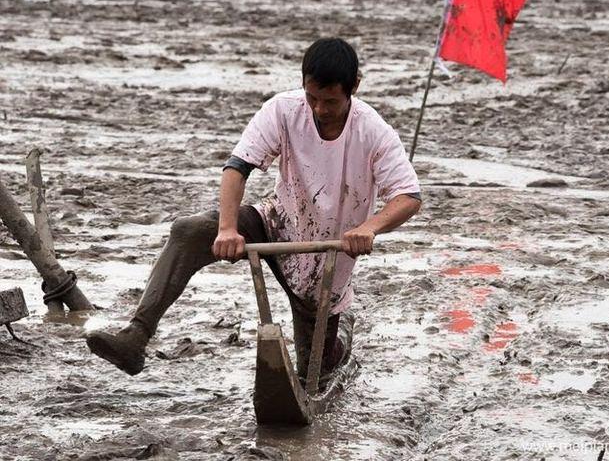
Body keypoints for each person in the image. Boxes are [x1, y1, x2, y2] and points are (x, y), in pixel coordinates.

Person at [86, 38, 422, 381]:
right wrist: (228, 229)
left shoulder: (372, 130)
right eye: (312, 98)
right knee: (189, 231)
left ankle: (341, 337)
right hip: (277, 223)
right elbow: (237, 168)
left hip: (327, 257)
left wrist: (369, 228)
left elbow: (408, 196)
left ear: (354, 87)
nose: (319, 109)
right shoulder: (284, 110)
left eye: (330, 102)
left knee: (315, 370)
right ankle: (136, 336)